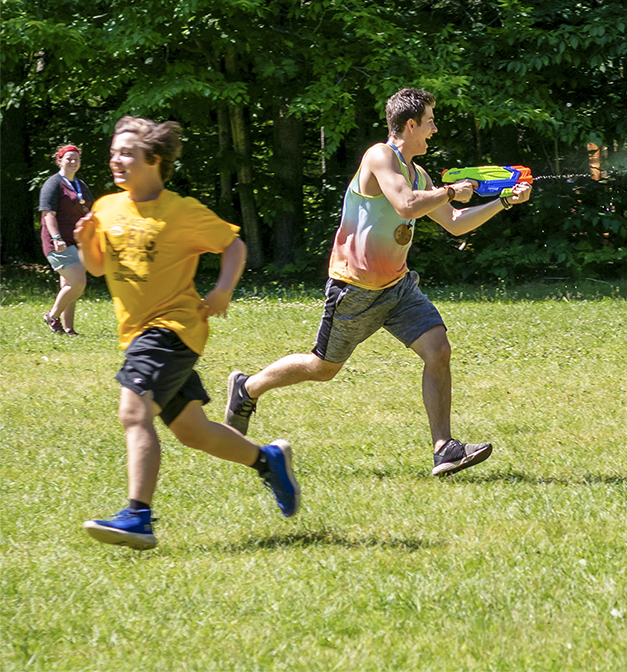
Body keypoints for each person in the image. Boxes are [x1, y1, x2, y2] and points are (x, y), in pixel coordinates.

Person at [224, 87, 532, 477]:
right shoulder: (379, 156)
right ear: (409, 124)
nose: (434, 129)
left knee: (438, 350)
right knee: (322, 368)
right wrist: (451, 191)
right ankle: (247, 387)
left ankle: (444, 449)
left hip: (397, 287)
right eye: (430, 121)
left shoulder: (418, 173)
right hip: (355, 288)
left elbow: (454, 223)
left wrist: (503, 202)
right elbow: (405, 205)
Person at [74, 116, 300, 550]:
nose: (115, 160)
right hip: (138, 333)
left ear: (154, 159)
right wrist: (86, 242)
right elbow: (99, 268)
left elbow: (233, 245)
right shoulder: (106, 207)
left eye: (126, 153)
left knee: (133, 412)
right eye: (113, 152)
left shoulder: (181, 211)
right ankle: (267, 459)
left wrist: (222, 290)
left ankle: (138, 516)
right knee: (191, 430)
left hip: (173, 328)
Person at [39, 144, 94, 336]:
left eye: (76, 159)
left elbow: (89, 209)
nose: (73, 162)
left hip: (76, 240)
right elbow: (47, 214)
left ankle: (68, 329)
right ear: (59, 160)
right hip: (57, 241)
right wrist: (56, 238)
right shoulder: (53, 183)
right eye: (69, 158)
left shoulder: (81, 185)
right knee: (78, 282)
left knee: (68, 285)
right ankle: (51, 316)